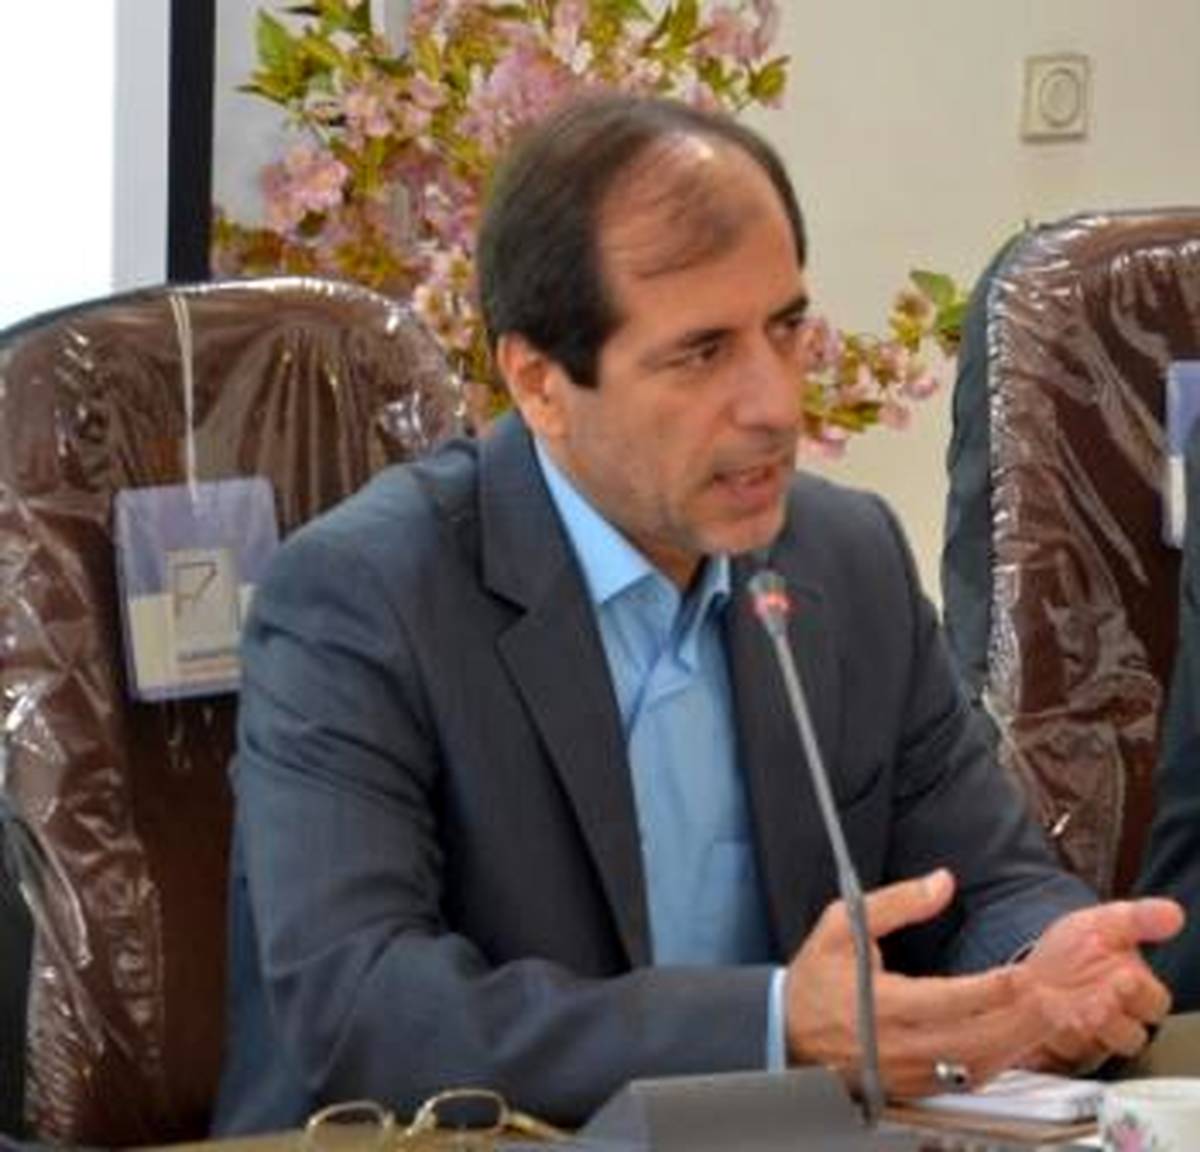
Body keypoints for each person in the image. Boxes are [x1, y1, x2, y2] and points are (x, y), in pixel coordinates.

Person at [212, 93, 1182, 1135]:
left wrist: (1047, 966)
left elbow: (987, 883)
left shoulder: (844, 558)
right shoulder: (361, 595)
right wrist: (771, 1026)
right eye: (701, 353)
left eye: (785, 329)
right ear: (539, 384)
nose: (773, 404)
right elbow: (366, 1012)